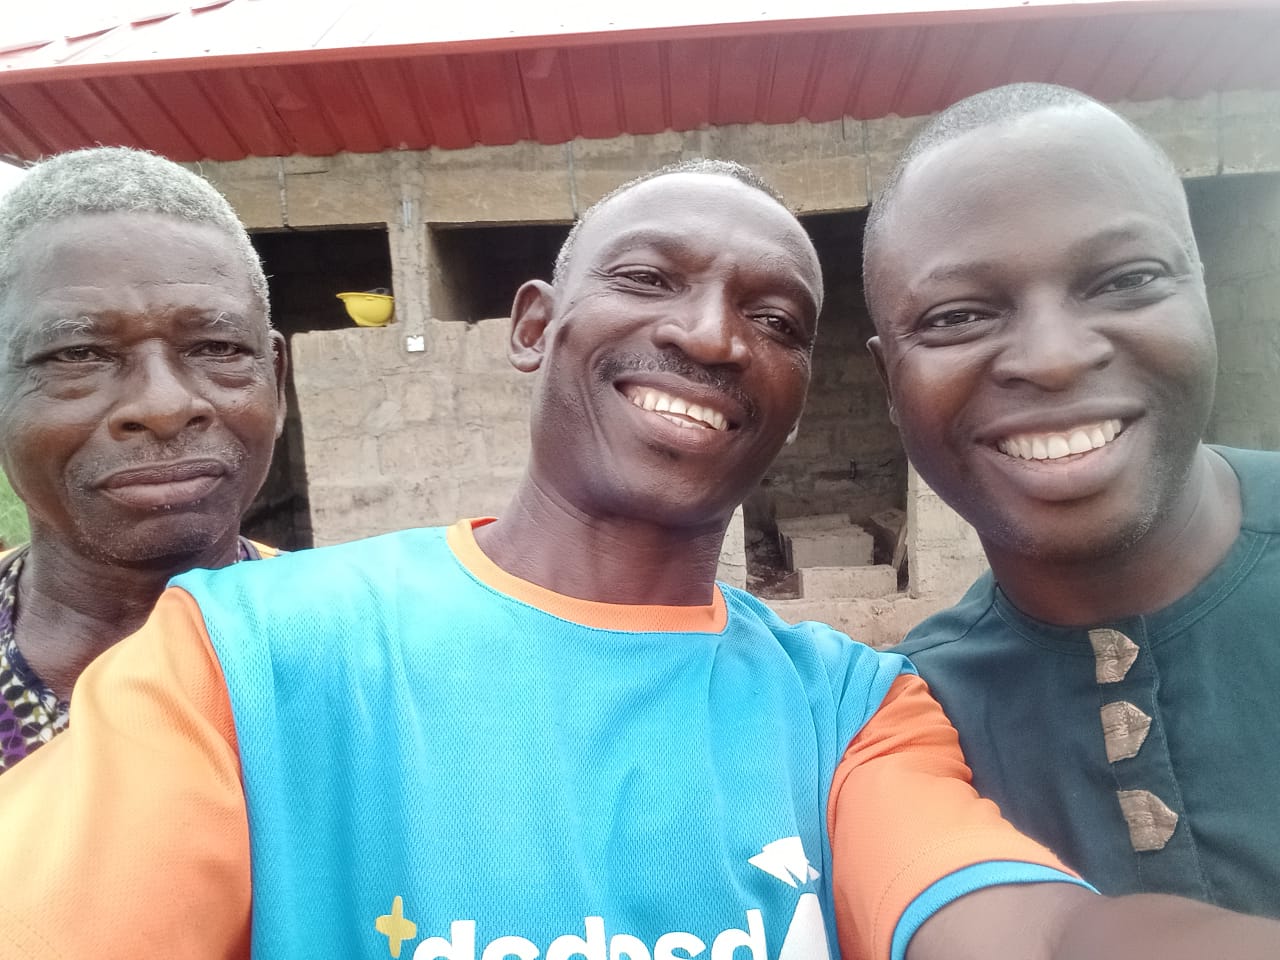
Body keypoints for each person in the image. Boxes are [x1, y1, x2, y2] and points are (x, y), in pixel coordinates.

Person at [2, 159, 1278, 960]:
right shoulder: (247, 651)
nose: (713, 336)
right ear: (535, 326)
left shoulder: (853, 709)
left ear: (796, 393)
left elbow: (1034, 933)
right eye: (649, 278)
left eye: (773, 316)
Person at [868, 82, 1280, 915]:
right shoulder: (913, 723)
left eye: (1127, 279)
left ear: (1203, 293)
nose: (1053, 359)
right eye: (957, 316)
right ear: (890, 383)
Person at [0, 147, 286, 771]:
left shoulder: (367, 657)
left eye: (217, 347)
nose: (164, 406)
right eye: (78, 354)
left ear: (277, 380)